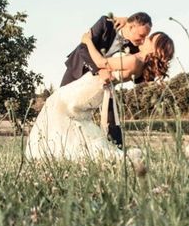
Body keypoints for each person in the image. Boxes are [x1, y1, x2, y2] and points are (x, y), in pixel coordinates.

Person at [25, 31, 174, 161]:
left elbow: (101, 62)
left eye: (150, 39)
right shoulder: (140, 65)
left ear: (155, 48)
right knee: (70, 117)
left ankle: (49, 152)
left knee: (58, 106)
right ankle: (58, 151)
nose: (146, 39)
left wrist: (87, 41)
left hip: (91, 86)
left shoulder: (134, 60)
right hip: (97, 88)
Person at [60, 12, 152, 146]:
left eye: (146, 37)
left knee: (111, 115)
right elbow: (83, 47)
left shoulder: (134, 45)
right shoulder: (106, 23)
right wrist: (99, 70)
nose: (142, 40)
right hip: (78, 69)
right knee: (62, 107)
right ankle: (60, 144)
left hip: (104, 83)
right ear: (131, 27)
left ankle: (117, 149)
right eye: (141, 35)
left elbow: (139, 76)